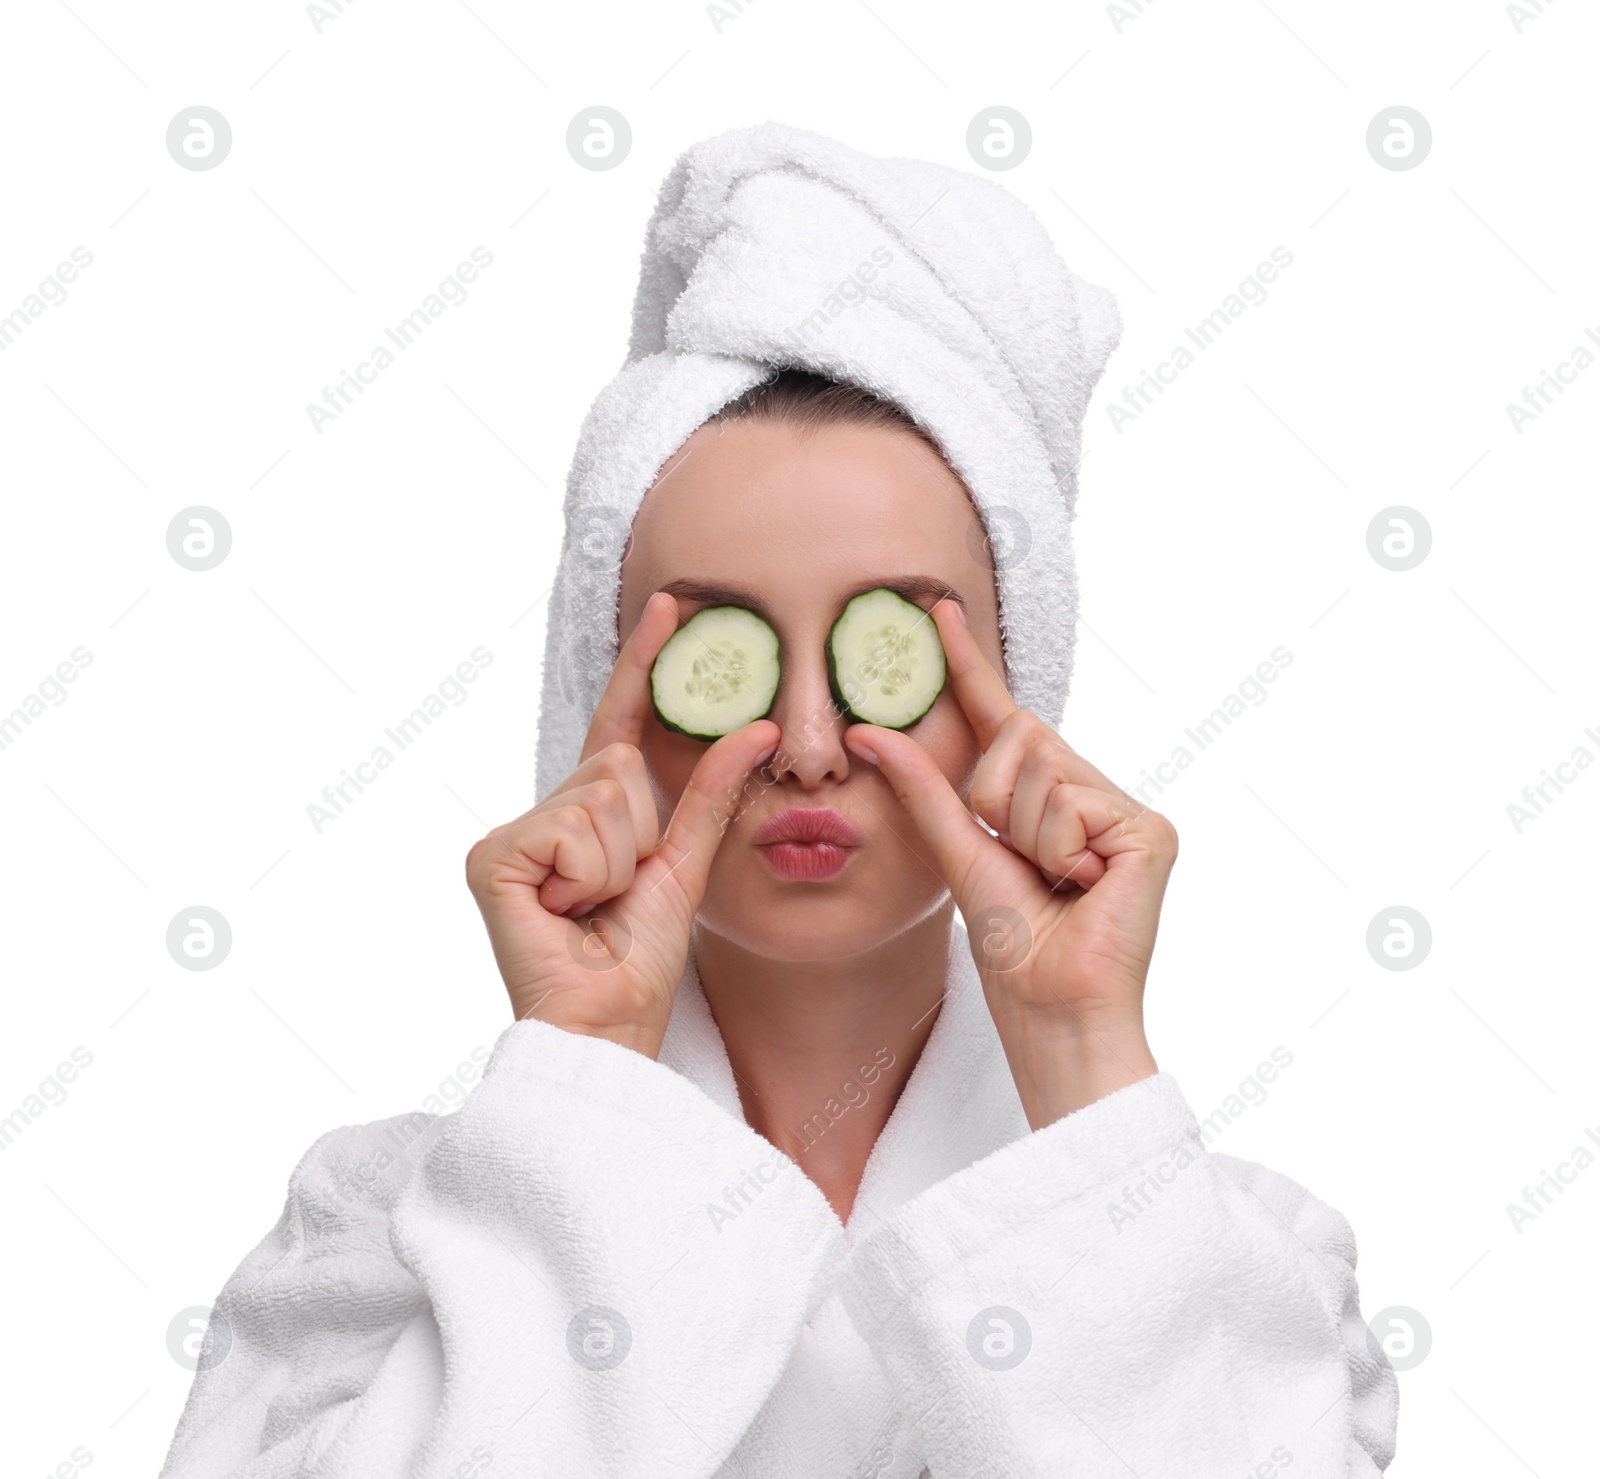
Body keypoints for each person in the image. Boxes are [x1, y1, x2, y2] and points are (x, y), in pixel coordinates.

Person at [159, 125, 1398, 1479]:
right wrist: (586, 1082)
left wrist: (1088, 1067)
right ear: (608, 694)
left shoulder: (1251, 1281)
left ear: (1014, 697)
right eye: (723, 657)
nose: (809, 742)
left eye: (889, 651)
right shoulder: (370, 1245)